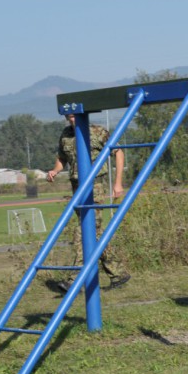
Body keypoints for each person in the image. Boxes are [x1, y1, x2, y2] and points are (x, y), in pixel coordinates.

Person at [46, 114, 130, 291]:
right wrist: (54, 170)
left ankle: (74, 279)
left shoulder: (98, 132)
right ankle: (117, 272)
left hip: (95, 185)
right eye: (68, 115)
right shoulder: (66, 134)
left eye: (74, 114)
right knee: (95, 231)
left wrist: (118, 182)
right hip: (76, 186)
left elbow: (118, 152)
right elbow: (62, 158)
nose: (71, 117)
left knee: (84, 230)